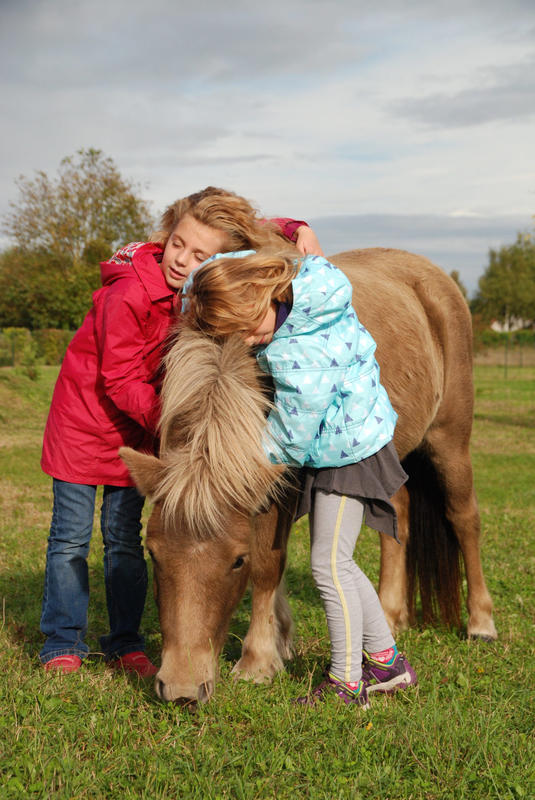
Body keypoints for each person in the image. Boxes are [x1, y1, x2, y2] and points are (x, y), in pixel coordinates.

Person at [39, 187, 323, 675]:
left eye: (199, 255)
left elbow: (251, 232)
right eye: (177, 244)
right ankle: (62, 641)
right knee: (69, 540)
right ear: (167, 232)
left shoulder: (191, 294)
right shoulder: (129, 292)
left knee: (125, 539)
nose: (182, 260)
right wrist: (183, 428)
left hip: (139, 442)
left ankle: (126, 639)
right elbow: (121, 378)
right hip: (85, 435)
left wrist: (296, 227)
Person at [182, 246, 418, 707]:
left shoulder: (299, 355)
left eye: (248, 329)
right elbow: (245, 264)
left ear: (261, 298)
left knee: (329, 567)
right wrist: (205, 277)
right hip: (355, 440)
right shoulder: (313, 285)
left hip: (347, 455)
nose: (248, 342)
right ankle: (388, 665)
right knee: (342, 564)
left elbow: (291, 437)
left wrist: (241, 466)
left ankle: (347, 685)